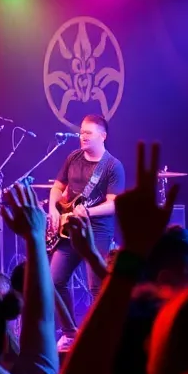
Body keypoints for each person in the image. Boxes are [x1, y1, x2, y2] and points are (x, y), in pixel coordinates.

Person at [47, 114, 125, 335]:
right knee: (54, 281)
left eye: (88, 133)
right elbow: (57, 187)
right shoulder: (73, 157)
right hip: (69, 229)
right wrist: (53, 208)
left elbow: (113, 204)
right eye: (81, 132)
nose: (82, 136)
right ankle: (71, 332)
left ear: (102, 136)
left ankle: (102, 334)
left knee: (97, 287)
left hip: (97, 230)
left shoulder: (112, 166)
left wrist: (87, 211)